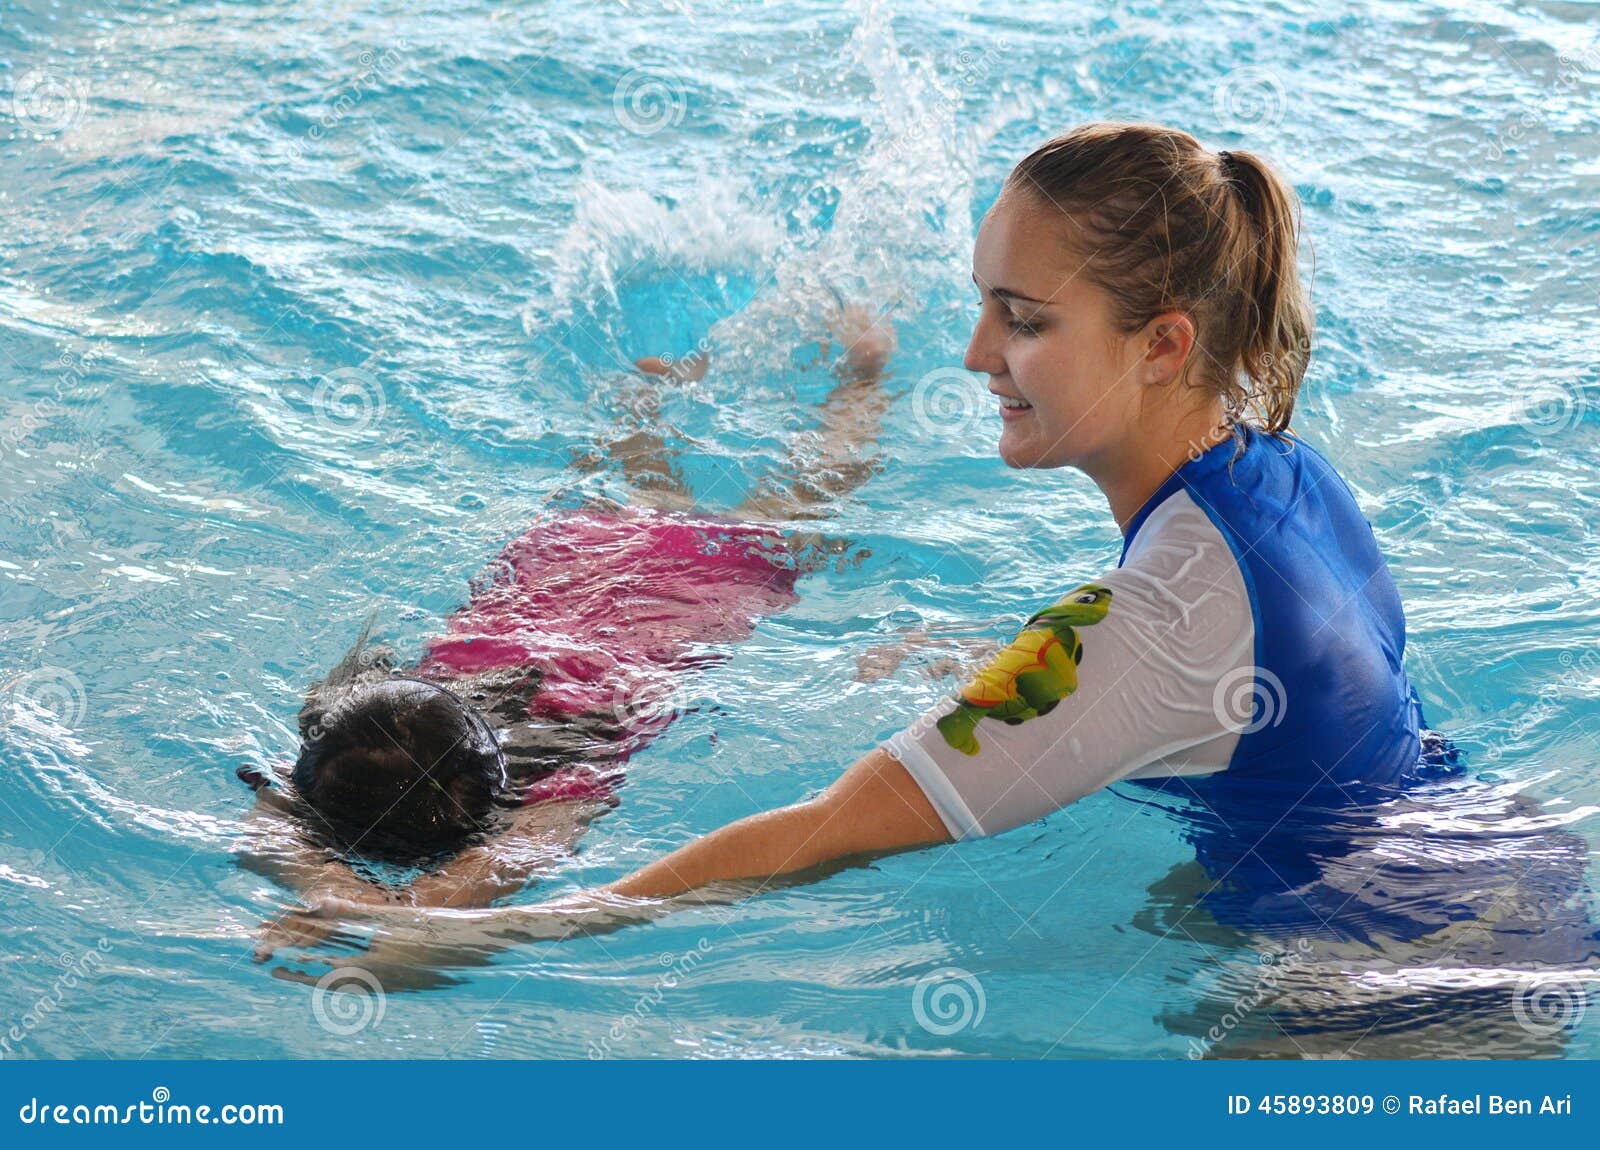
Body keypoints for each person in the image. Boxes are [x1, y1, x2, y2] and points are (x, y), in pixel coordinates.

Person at [267, 123, 1589, 993]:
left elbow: (828, 829)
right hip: (1494, 875)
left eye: (1019, 320)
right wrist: (1003, 673)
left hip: (1397, 996)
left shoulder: (1153, 616)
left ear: (1165, 343)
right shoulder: (1278, 468)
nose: (973, 356)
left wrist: (485, 935)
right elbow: (1247, 692)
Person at [238, 304, 898, 949]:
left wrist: (333, 893)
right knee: (682, 504)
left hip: (687, 595)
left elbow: (450, 900)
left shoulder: (557, 789)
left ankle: (861, 379)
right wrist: (338, 891)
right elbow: (278, 824)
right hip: (574, 559)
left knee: (807, 502)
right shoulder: (375, 722)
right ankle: (658, 402)